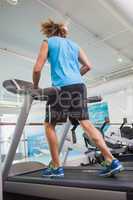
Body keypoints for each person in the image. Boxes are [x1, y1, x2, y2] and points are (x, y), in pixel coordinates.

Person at [32, 19, 123, 177]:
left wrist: (35, 87)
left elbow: (37, 68)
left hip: (60, 88)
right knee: (86, 123)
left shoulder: (48, 42)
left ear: (50, 32)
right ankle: (111, 159)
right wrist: (73, 77)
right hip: (79, 86)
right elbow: (88, 66)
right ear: (62, 32)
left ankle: (56, 166)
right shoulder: (74, 45)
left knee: (49, 125)